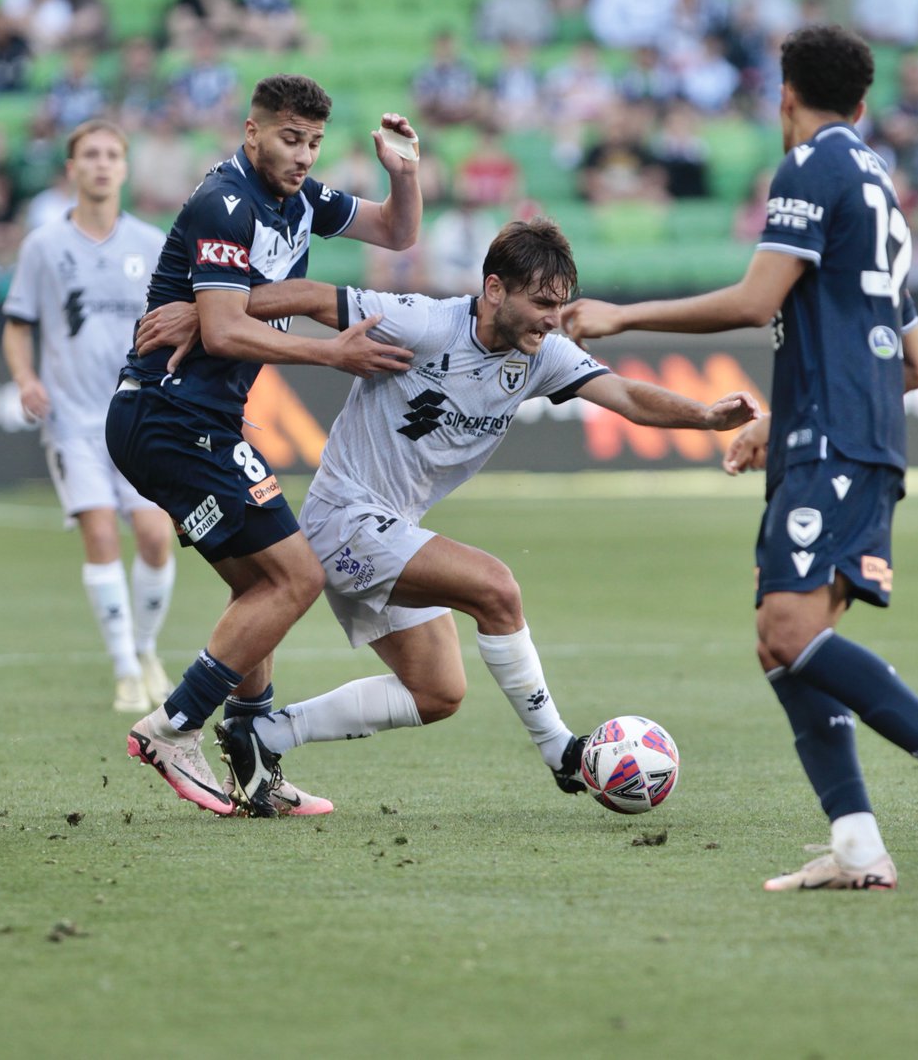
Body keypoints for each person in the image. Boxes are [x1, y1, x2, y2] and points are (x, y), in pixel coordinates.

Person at [562, 24, 918, 890]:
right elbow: (913, 363)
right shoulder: (879, 190)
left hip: (837, 443)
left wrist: (620, 317)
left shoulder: (812, 166)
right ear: (862, 102)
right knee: (785, 645)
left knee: (787, 631)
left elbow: (754, 300)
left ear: (785, 97)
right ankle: (855, 843)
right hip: (850, 434)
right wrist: (785, 420)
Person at [134, 217, 761, 815]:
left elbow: (623, 393)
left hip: (392, 529)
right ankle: (561, 750)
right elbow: (313, 296)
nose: (554, 316)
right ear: (494, 289)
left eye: (561, 301)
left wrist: (704, 417)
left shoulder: (540, 353)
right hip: (345, 517)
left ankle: (267, 737)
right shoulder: (425, 323)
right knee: (496, 587)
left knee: (437, 692)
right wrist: (212, 310)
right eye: (542, 300)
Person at [106, 74, 421, 818]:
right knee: (295, 577)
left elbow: (397, 233)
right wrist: (331, 354)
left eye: (313, 141)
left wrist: (403, 174)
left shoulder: (302, 199)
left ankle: (251, 766)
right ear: (252, 134)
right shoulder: (227, 200)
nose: (304, 154)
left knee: (265, 590)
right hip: (171, 416)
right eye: (289, 137)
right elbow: (220, 328)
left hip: (196, 421)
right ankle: (173, 726)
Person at [1, 119, 177, 715]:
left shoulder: (152, 244)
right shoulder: (44, 246)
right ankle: (126, 670)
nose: (101, 164)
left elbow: (178, 322)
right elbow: (18, 324)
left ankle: (146, 649)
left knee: (156, 538)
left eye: (111, 155)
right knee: (99, 533)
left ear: (125, 169)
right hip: (74, 422)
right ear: (72, 168)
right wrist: (26, 379)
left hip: (138, 419)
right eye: (90, 155)